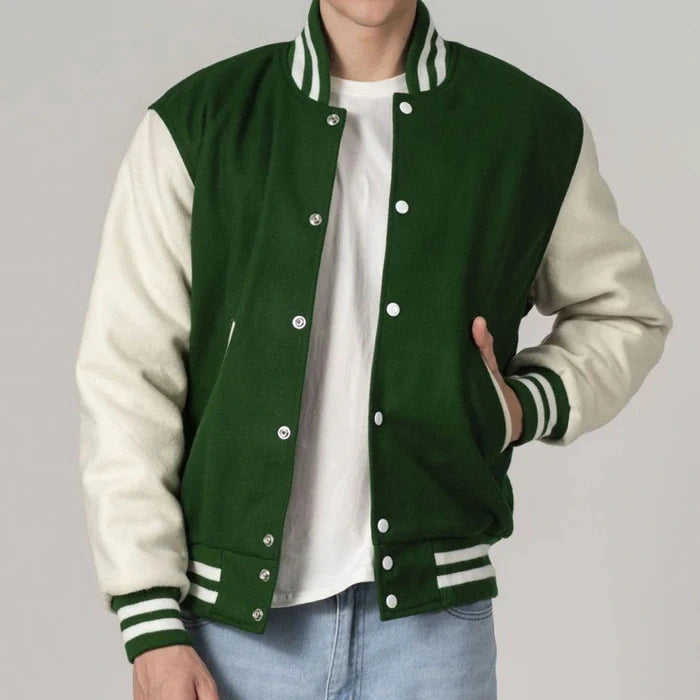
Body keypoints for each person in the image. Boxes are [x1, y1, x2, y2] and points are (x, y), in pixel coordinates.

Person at [74, 0, 673, 698]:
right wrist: (151, 620)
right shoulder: (199, 123)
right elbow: (127, 377)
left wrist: (518, 406)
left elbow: (624, 313)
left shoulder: (526, 127)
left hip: (433, 631)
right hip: (232, 635)